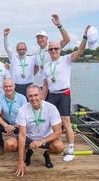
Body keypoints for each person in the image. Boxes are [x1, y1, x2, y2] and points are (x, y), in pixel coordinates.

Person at [42, 25, 91, 162]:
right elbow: (45, 86)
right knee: (50, 121)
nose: (53, 51)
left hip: (64, 94)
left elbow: (80, 51)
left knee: (65, 121)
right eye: (51, 49)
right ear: (48, 51)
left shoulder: (66, 59)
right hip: (51, 95)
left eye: (56, 48)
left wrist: (85, 36)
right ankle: (52, 143)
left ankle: (70, 149)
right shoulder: (46, 66)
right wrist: (41, 100)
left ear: (60, 49)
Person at [15, 84, 64, 177]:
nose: (33, 98)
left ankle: (47, 154)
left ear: (41, 95)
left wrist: (42, 141)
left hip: (46, 138)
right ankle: (28, 152)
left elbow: (58, 132)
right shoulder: (23, 110)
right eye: (30, 96)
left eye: (36, 95)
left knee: (59, 147)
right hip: (29, 137)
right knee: (10, 145)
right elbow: (22, 135)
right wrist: (20, 160)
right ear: (27, 97)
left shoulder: (51, 108)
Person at [34, 14, 70, 88]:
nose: (40, 39)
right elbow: (37, 68)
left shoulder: (53, 47)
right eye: (38, 38)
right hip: (41, 85)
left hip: (52, 85)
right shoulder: (37, 53)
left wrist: (59, 26)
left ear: (47, 38)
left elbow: (67, 40)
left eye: (42, 37)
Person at [0, 78, 27, 155]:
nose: (8, 89)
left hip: (19, 124)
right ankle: (0, 146)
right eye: (6, 86)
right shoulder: (0, 98)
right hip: (7, 123)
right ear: (3, 88)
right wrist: (6, 125)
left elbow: (26, 117)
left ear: (14, 86)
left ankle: (23, 144)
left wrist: (14, 126)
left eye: (10, 86)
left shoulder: (22, 98)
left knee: (25, 127)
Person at [3, 28, 36, 98]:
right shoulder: (13, 58)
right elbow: (7, 48)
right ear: (17, 50)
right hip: (17, 86)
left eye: (23, 49)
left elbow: (38, 67)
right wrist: (5, 36)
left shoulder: (32, 58)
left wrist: (32, 74)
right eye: (19, 49)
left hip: (29, 85)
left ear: (26, 49)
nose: (21, 51)